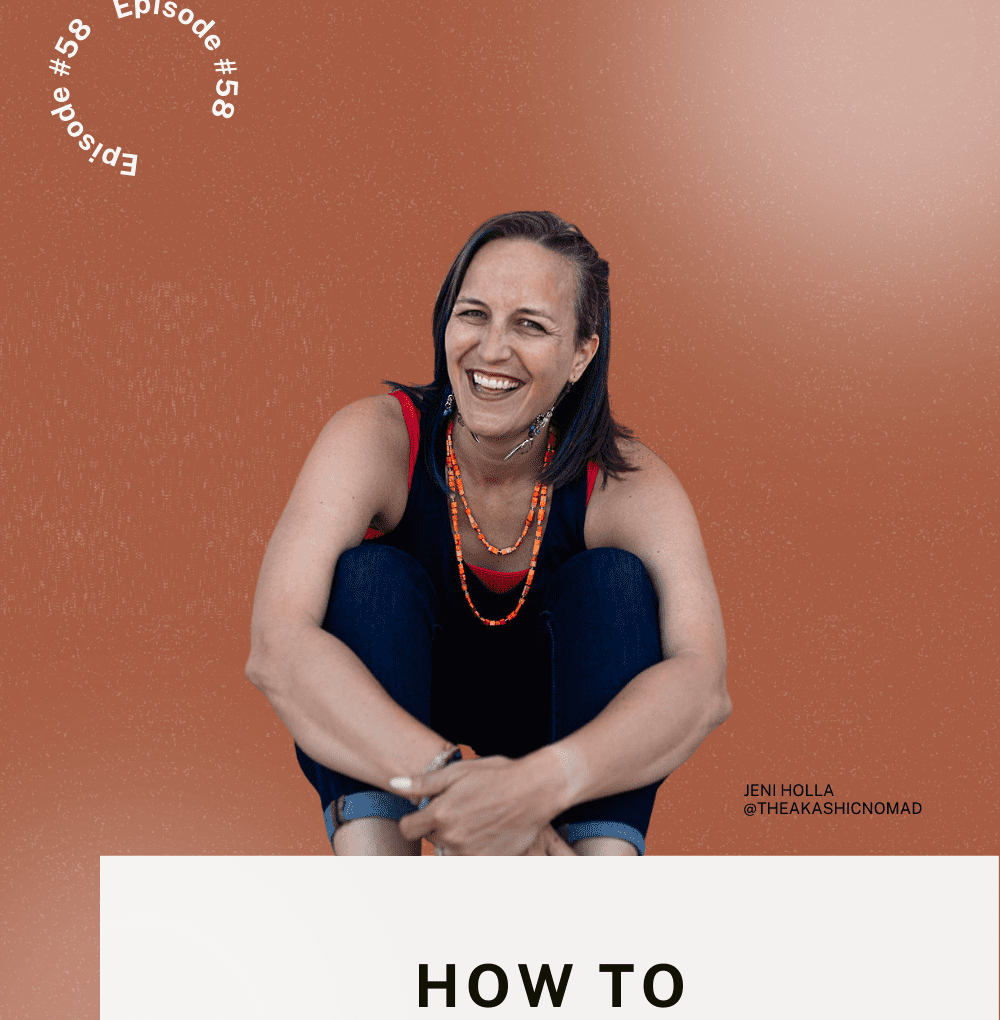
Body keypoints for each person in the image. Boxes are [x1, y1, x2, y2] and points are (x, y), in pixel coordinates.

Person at [246, 210, 731, 856]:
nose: (492, 349)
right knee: (369, 578)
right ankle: (380, 892)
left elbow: (702, 684)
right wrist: (457, 787)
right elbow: (277, 646)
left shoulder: (628, 484)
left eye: (529, 325)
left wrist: (535, 789)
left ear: (581, 352)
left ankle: (589, 887)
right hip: (400, 713)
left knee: (614, 583)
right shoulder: (376, 438)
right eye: (473, 314)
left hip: (560, 720)